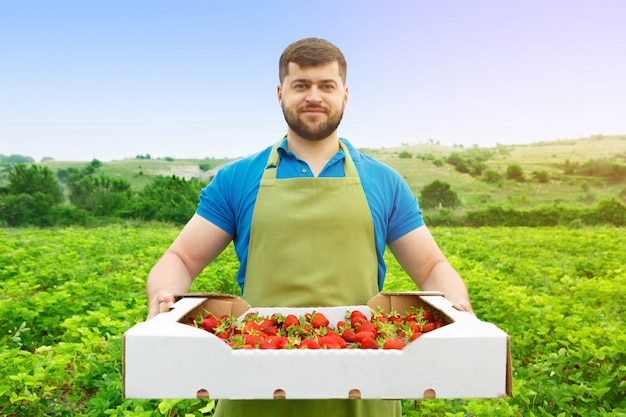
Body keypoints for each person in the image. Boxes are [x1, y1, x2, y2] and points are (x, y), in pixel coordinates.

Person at [146, 37, 473, 417]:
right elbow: (182, 258)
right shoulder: (237, 178)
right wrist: (164, 298)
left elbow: (431, 266)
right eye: (301, 85)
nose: (313, 96)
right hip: (254, 385)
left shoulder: (383, 181)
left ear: (345, 95)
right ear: (281, 92)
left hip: (364, 383)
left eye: (326, 86)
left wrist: (457, 309)